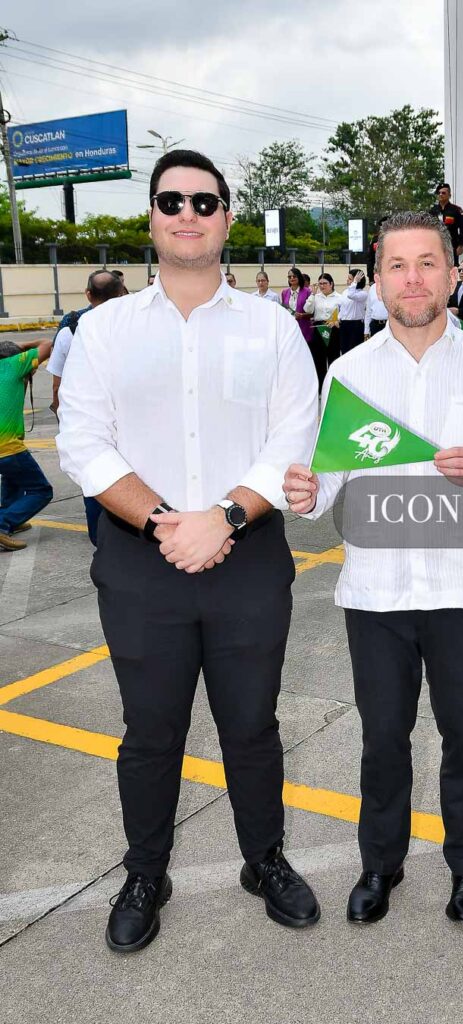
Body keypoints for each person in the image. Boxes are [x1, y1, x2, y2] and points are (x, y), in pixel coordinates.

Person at [56, 149, 321, 953]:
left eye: (204, 202)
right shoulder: (102, 329)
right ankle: (146, 871)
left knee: (251, 725)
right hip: (143, 559)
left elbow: (292, 436)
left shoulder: (273, 325)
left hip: (248, 557)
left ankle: (263, 859)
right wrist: (170, 520)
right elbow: (83, 443)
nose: (187, 213)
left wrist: (225, 519)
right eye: (171, 200)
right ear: (152, 217)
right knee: (150, 730)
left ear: (226, 219)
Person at [283, 211, 463, 926]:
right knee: (382, 738)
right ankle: (378, 865)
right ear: (378, 277)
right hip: (375, 593)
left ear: (453, 274)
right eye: (396, 265)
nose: (412, 277)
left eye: (427, 263)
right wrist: (303, 494)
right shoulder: (349, 373)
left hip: (461, 590)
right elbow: (326, 485)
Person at [47, 269, 125, 544]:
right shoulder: (138, 324)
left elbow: (57, 381)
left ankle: (99, 539)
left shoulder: (71, 329)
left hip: (89, 417)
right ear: (121, 292)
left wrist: (60, 413)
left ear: (88, 295)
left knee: (95, 477)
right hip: (128, 419)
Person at [0, 337, 54, 551]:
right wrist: (21, 346)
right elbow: (47, 344)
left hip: (4, 451)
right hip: (7, 447)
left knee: (13, 478)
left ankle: (10, 516)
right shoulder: (13, 364)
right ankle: (4, 522)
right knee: (41, 490)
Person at [306, 273, 342, 374]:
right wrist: (312, 295)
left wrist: (337, 320)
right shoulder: (316, 297)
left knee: (333, 359)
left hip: (333, 329)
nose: (322, 286)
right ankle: (320, 387)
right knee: (318, 361)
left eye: (325, 283)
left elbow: (344, 313)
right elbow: (307, 309)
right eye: (320, 283)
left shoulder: (339, 297)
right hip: (319, 329)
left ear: (331, 284)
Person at [429, 182, 463, 257]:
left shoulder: (456, 210)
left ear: (449, 195)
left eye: (443, 193)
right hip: (436, 244)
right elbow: (428, 227)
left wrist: (461, 245)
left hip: (452, 244)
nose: (440, 195)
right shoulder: (433, 210)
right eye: (439, 193)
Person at [338, 268, 368, 354]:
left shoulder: (363, 294)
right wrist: (339, 318)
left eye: (350, 278)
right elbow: (341, 307)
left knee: (354, 351)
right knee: (344, 350)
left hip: (356, 325)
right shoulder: (345, 292)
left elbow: (352, 295)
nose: (347, 280)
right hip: (344, 324)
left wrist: (355, 282)